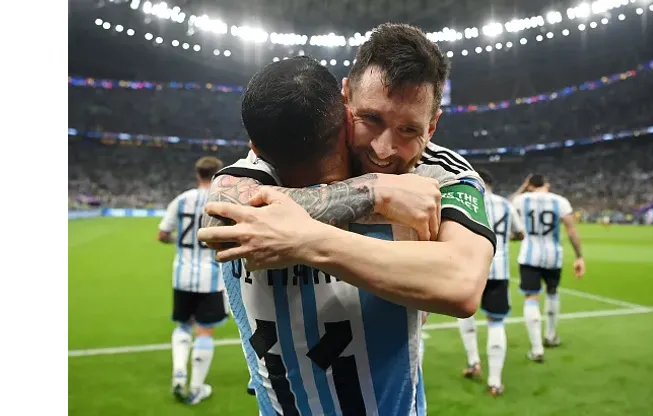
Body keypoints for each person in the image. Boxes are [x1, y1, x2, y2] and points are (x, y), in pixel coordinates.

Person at [199, 24, 496, 415]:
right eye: (370, 118)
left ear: (433, 125)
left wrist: (307, 241)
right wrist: (375, 191)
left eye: (409, 129)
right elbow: (221, 219)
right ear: (344, 100)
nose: (383, 149)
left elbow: (461, 283)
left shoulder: (440, 174)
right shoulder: (280, 159)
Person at [156, 156, 227, 405]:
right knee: (204, 330)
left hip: (182, 275)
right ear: (219, 174)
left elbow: (162, 234)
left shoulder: (181, 199)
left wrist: (177, 242)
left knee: (183, 326)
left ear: (198, 174)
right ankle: (196, 388)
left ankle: (178, 374)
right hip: (211, 277)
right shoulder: (222, 201)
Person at [456, 169, 524, 397]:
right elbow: (520, 233)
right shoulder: (506, 205)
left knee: (464, 315)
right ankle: (495, 381)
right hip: (499, 270)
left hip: (470, 270)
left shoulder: (465, 199)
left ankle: (474, 362)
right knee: (496, 323)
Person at [511, 174, 585, 362]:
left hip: (529, 255)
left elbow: (509, 206)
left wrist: (523, 187)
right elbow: (571, 230)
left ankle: (537, 349)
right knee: (552, 293)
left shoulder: (521, 200)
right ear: (547, 184)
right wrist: (579, 257)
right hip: (553, 256)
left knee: (531, 297)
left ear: (530, 185)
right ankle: (551, 336)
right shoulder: (560, 201)